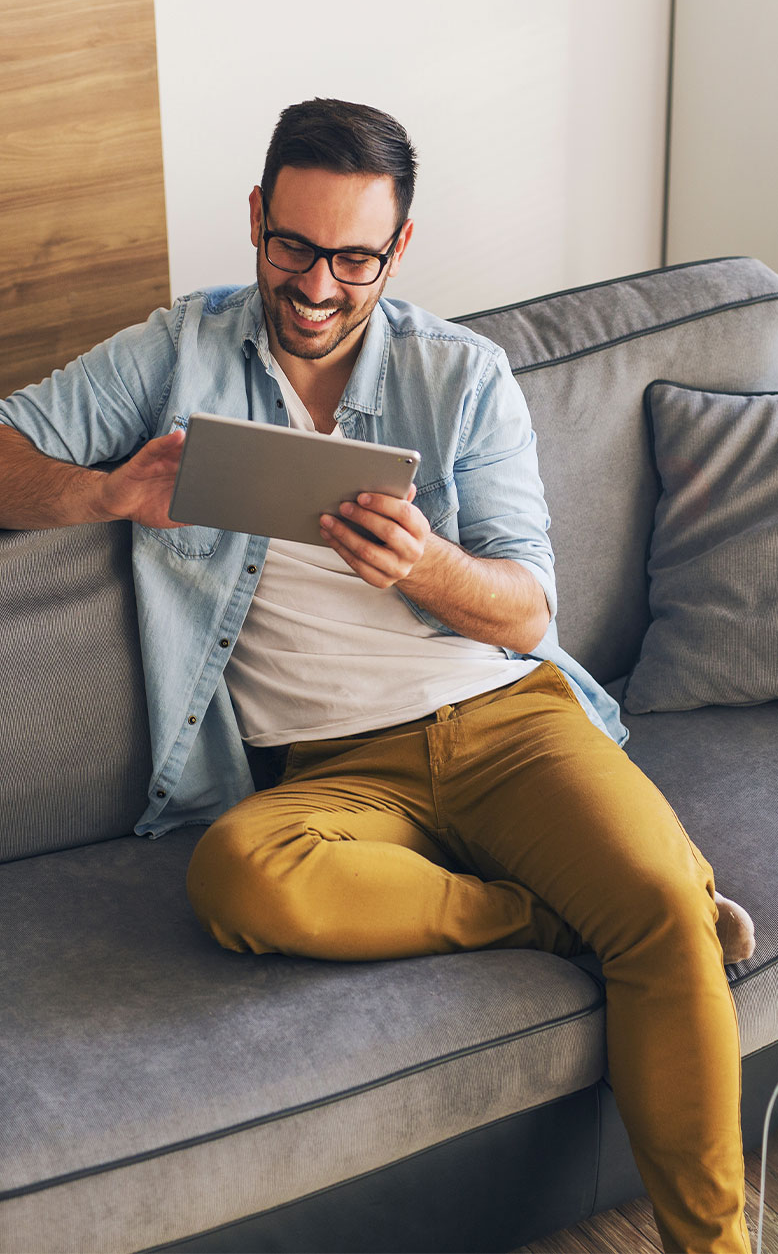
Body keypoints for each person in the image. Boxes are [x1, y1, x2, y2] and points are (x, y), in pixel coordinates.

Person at [0, 98, 753, 1252]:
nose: (313, 286)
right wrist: (106, 493)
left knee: (661, 916)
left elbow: (529, 610)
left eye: (352, 257)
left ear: (397, 249)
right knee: (242, 880)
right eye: (290, 246)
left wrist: (430, 566)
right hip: (336, 777)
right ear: (255, 218)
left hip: (507, 722)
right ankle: (547, 917)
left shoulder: (462, 376)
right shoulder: (176, 354)